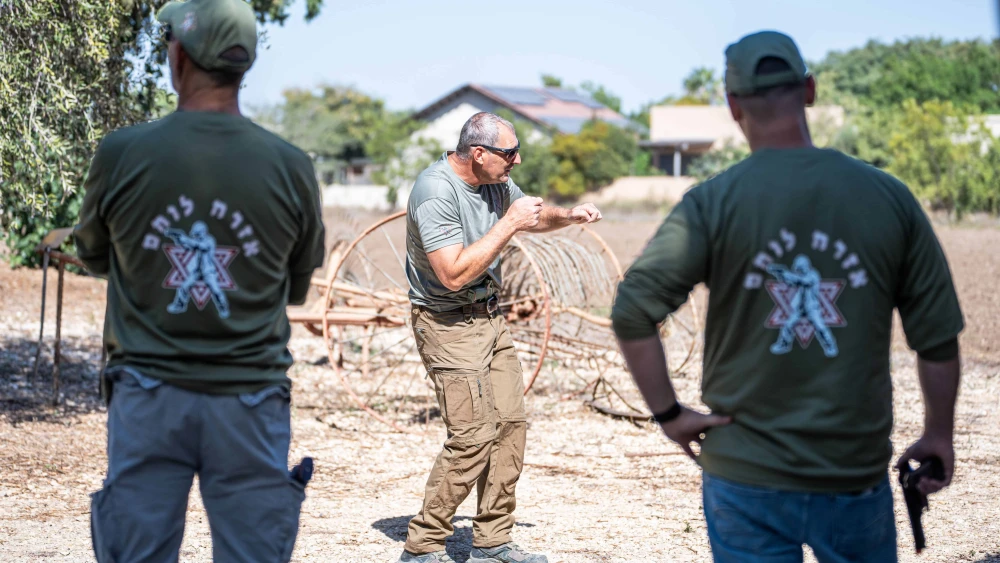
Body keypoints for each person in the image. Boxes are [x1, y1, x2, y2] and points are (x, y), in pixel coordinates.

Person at [610, 30, 964, 563]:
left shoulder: (712, 203)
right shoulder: (888, 197)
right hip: (852, 474)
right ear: (810, 91)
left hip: (744, 475)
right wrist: (939, 433)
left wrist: (669, 414)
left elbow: (632, 311)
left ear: (733, 107)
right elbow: (936, 337)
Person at [73, 0, 326, 561]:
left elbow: (92, 256)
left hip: (147, 397)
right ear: (244, 64)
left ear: (179, 55)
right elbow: (296, 289)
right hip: (251, 403)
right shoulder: (290, 165)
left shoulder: (121, 154)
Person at [397, 112, 603, 563]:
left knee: (510, 428)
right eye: (510, 153)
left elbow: (530, 215)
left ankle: (493, 540)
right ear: (479, 153)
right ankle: (423, 544)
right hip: (448, 323)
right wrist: (508, 223)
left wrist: (566, 216)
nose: (518, 160)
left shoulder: (494, 182)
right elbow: (452, 275)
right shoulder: (435, 193)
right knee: (471, 436)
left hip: (490, 319)